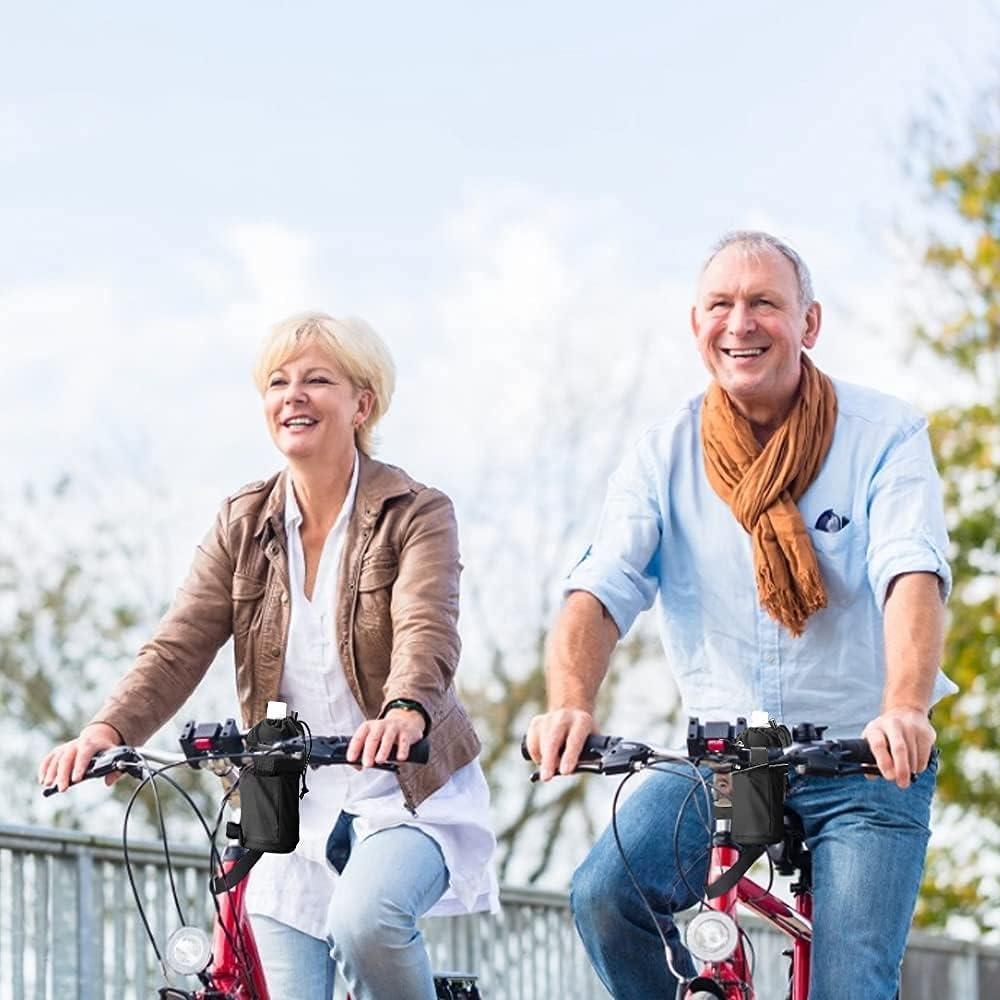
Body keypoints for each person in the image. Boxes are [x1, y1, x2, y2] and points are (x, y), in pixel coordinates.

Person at [526, 231, 956, 1000]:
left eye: (765, 303)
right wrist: (570, 704)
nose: (740, 323)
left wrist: (904, 708)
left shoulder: (885, 435)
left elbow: (910, 570)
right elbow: (601, 586)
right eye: (720, 305)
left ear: (810, 324)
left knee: (851, 983)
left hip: (864, 759)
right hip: (720, 760)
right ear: (697, 327)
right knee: (604, 896)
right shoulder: (663, 451)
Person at [39, 311, 498, 1000]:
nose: (294, 395)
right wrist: (109, 731)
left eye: (317, 379)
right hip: (286, 809)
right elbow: (180, 642)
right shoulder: (242, 522)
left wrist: (405, 708)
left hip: (402, 793)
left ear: (362, 403)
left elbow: (425, 625)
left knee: (366, 921)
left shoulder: (416, 512)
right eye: (277, 382)